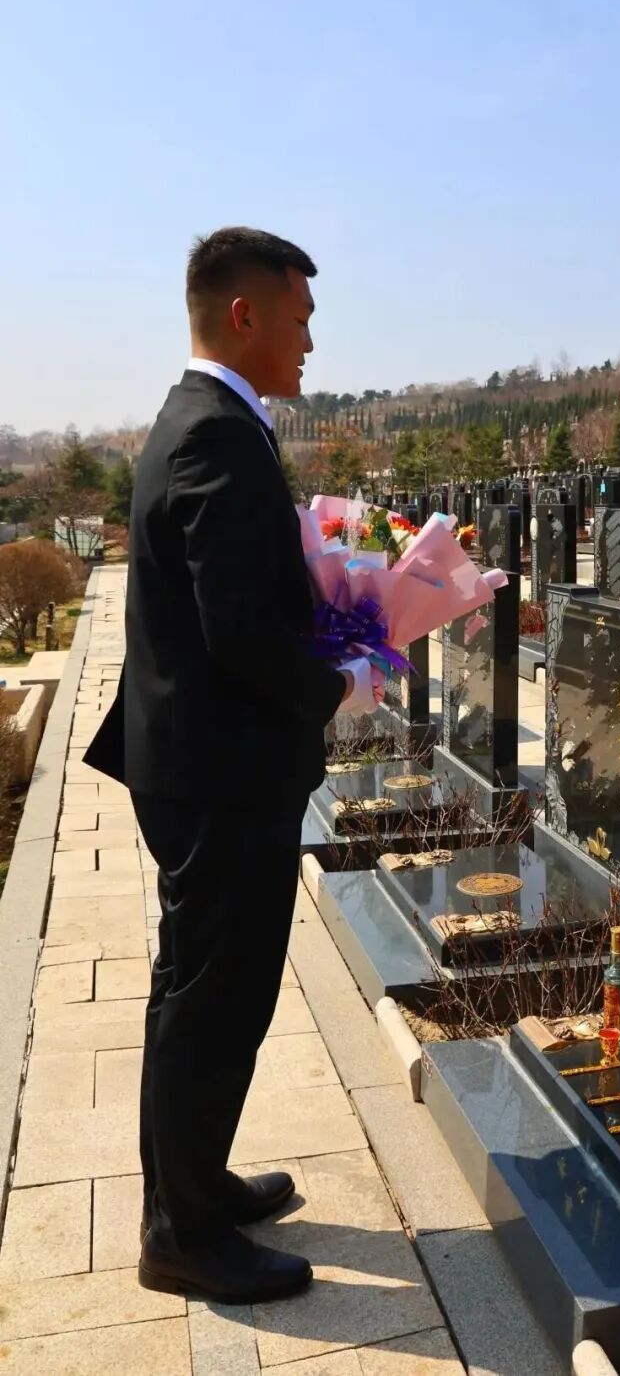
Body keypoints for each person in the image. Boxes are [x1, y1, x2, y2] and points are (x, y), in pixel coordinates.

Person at [86, 227, 377, 1303]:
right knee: (213, 994)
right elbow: (241, 631)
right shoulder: (213, 433)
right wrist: (344, 682)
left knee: (202, 988)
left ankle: (194, 1186)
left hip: (204, 762)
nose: (310, 338)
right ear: (244, 315)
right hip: (219, 769)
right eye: (299, 316)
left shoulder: (207, 422)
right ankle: (182, 1233)